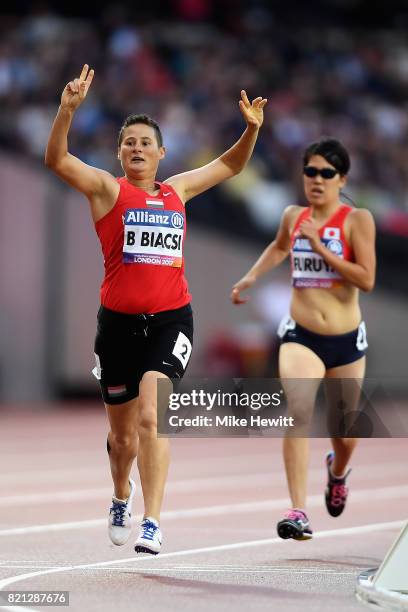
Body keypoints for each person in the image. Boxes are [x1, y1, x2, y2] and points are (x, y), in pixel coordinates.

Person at [45, 64, 267, 555]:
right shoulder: (108, 190)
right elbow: (58, 160)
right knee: (122, 440)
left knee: (153, 418)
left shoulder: (178, 190)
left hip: (171, 320)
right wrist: (66, 111)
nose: (138, 149)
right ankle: (121, 495)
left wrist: (250, 130)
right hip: (118, 327)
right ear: (120, 153)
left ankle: (153, 520)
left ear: (162, 153)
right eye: (129, 143)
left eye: (146, 142)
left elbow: (230, 166)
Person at [231, 138, 376, 540]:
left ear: (341, 178)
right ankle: (298, 510)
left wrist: (320, 248)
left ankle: (338, 470)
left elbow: (366, 278)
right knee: (298, 412)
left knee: (345, 434)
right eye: (310, 171)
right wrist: (251, 276)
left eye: (326, 173)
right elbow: (279, 248)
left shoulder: (357, 220)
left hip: (345, 340)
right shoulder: (293, 216)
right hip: (301, 335)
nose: (316, 179)